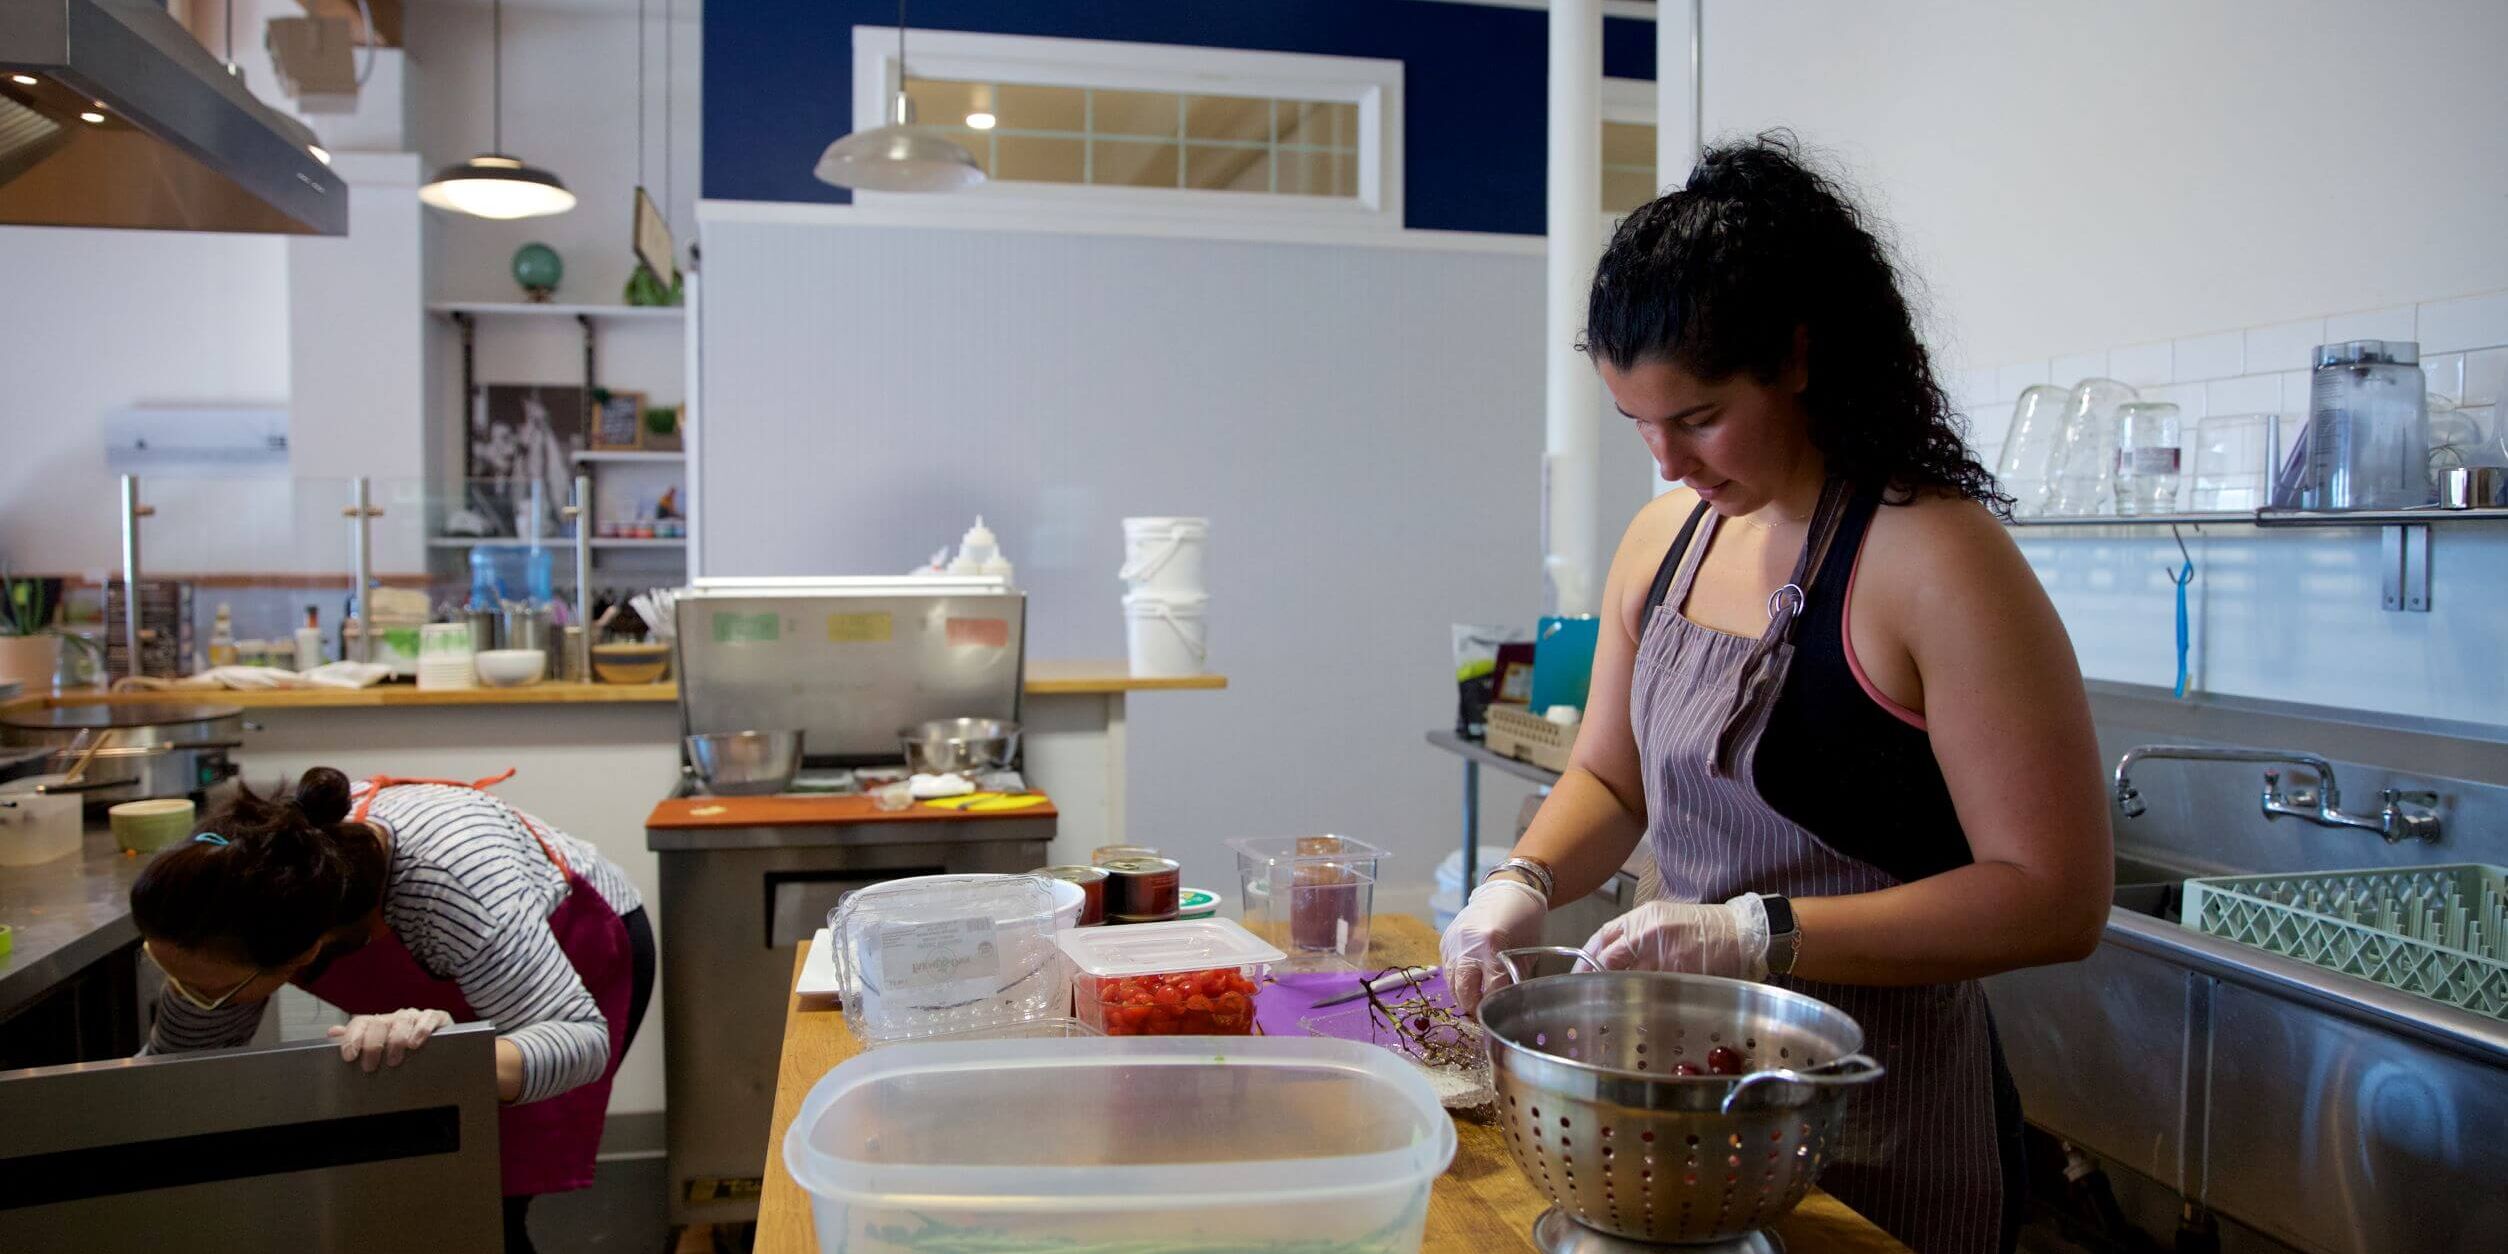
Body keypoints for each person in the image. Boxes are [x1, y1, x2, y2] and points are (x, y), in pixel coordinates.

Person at [1439, 134, 2113, 1254]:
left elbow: (2055, 898)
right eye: (1637, 423)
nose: (1665, 460)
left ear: (1798, 358)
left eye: (1698, 417)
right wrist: (1520, 881)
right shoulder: (1666, 541)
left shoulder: (1932, 558)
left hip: (1874, 1122)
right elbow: (1610, 775)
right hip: (1675, 1113)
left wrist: (1761, 932)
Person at [130, 767, 655, 1254]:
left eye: (210, 990)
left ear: (301, 953)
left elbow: (582, 1039)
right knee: (421, 1183)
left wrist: (454, 1060)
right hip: (447, 965)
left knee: (485, 1200)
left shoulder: (453, 883)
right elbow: (181, 1067)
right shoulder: (255, 886)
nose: (189, 996)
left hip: (570, 957)